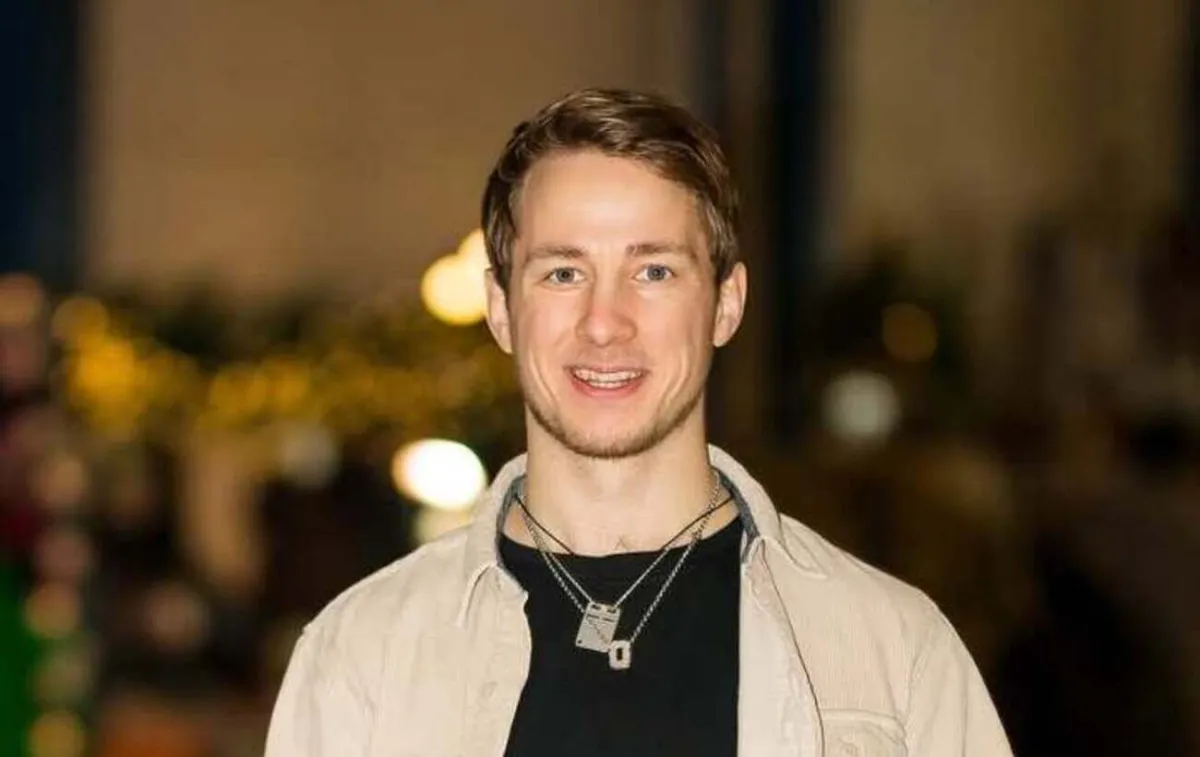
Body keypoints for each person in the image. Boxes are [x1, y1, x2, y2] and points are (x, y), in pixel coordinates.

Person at [264, 88, 1013, 756]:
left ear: (726, 304)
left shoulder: (893, 654)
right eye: (563, 272)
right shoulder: (361, 657)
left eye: (653, 271)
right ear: (500, 309)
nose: (604, 322)